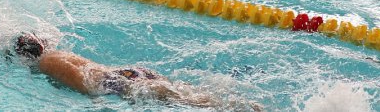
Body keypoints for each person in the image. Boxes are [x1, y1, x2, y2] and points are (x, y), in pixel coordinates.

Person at [13, 33, 263, 110]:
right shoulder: (57, 54)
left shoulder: (46, 63)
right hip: (131, 72)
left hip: (114, 81)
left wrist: (97, 99)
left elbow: (85, 82)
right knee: (186, 93)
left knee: (189, 100)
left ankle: (236, 107)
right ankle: (240, 104)